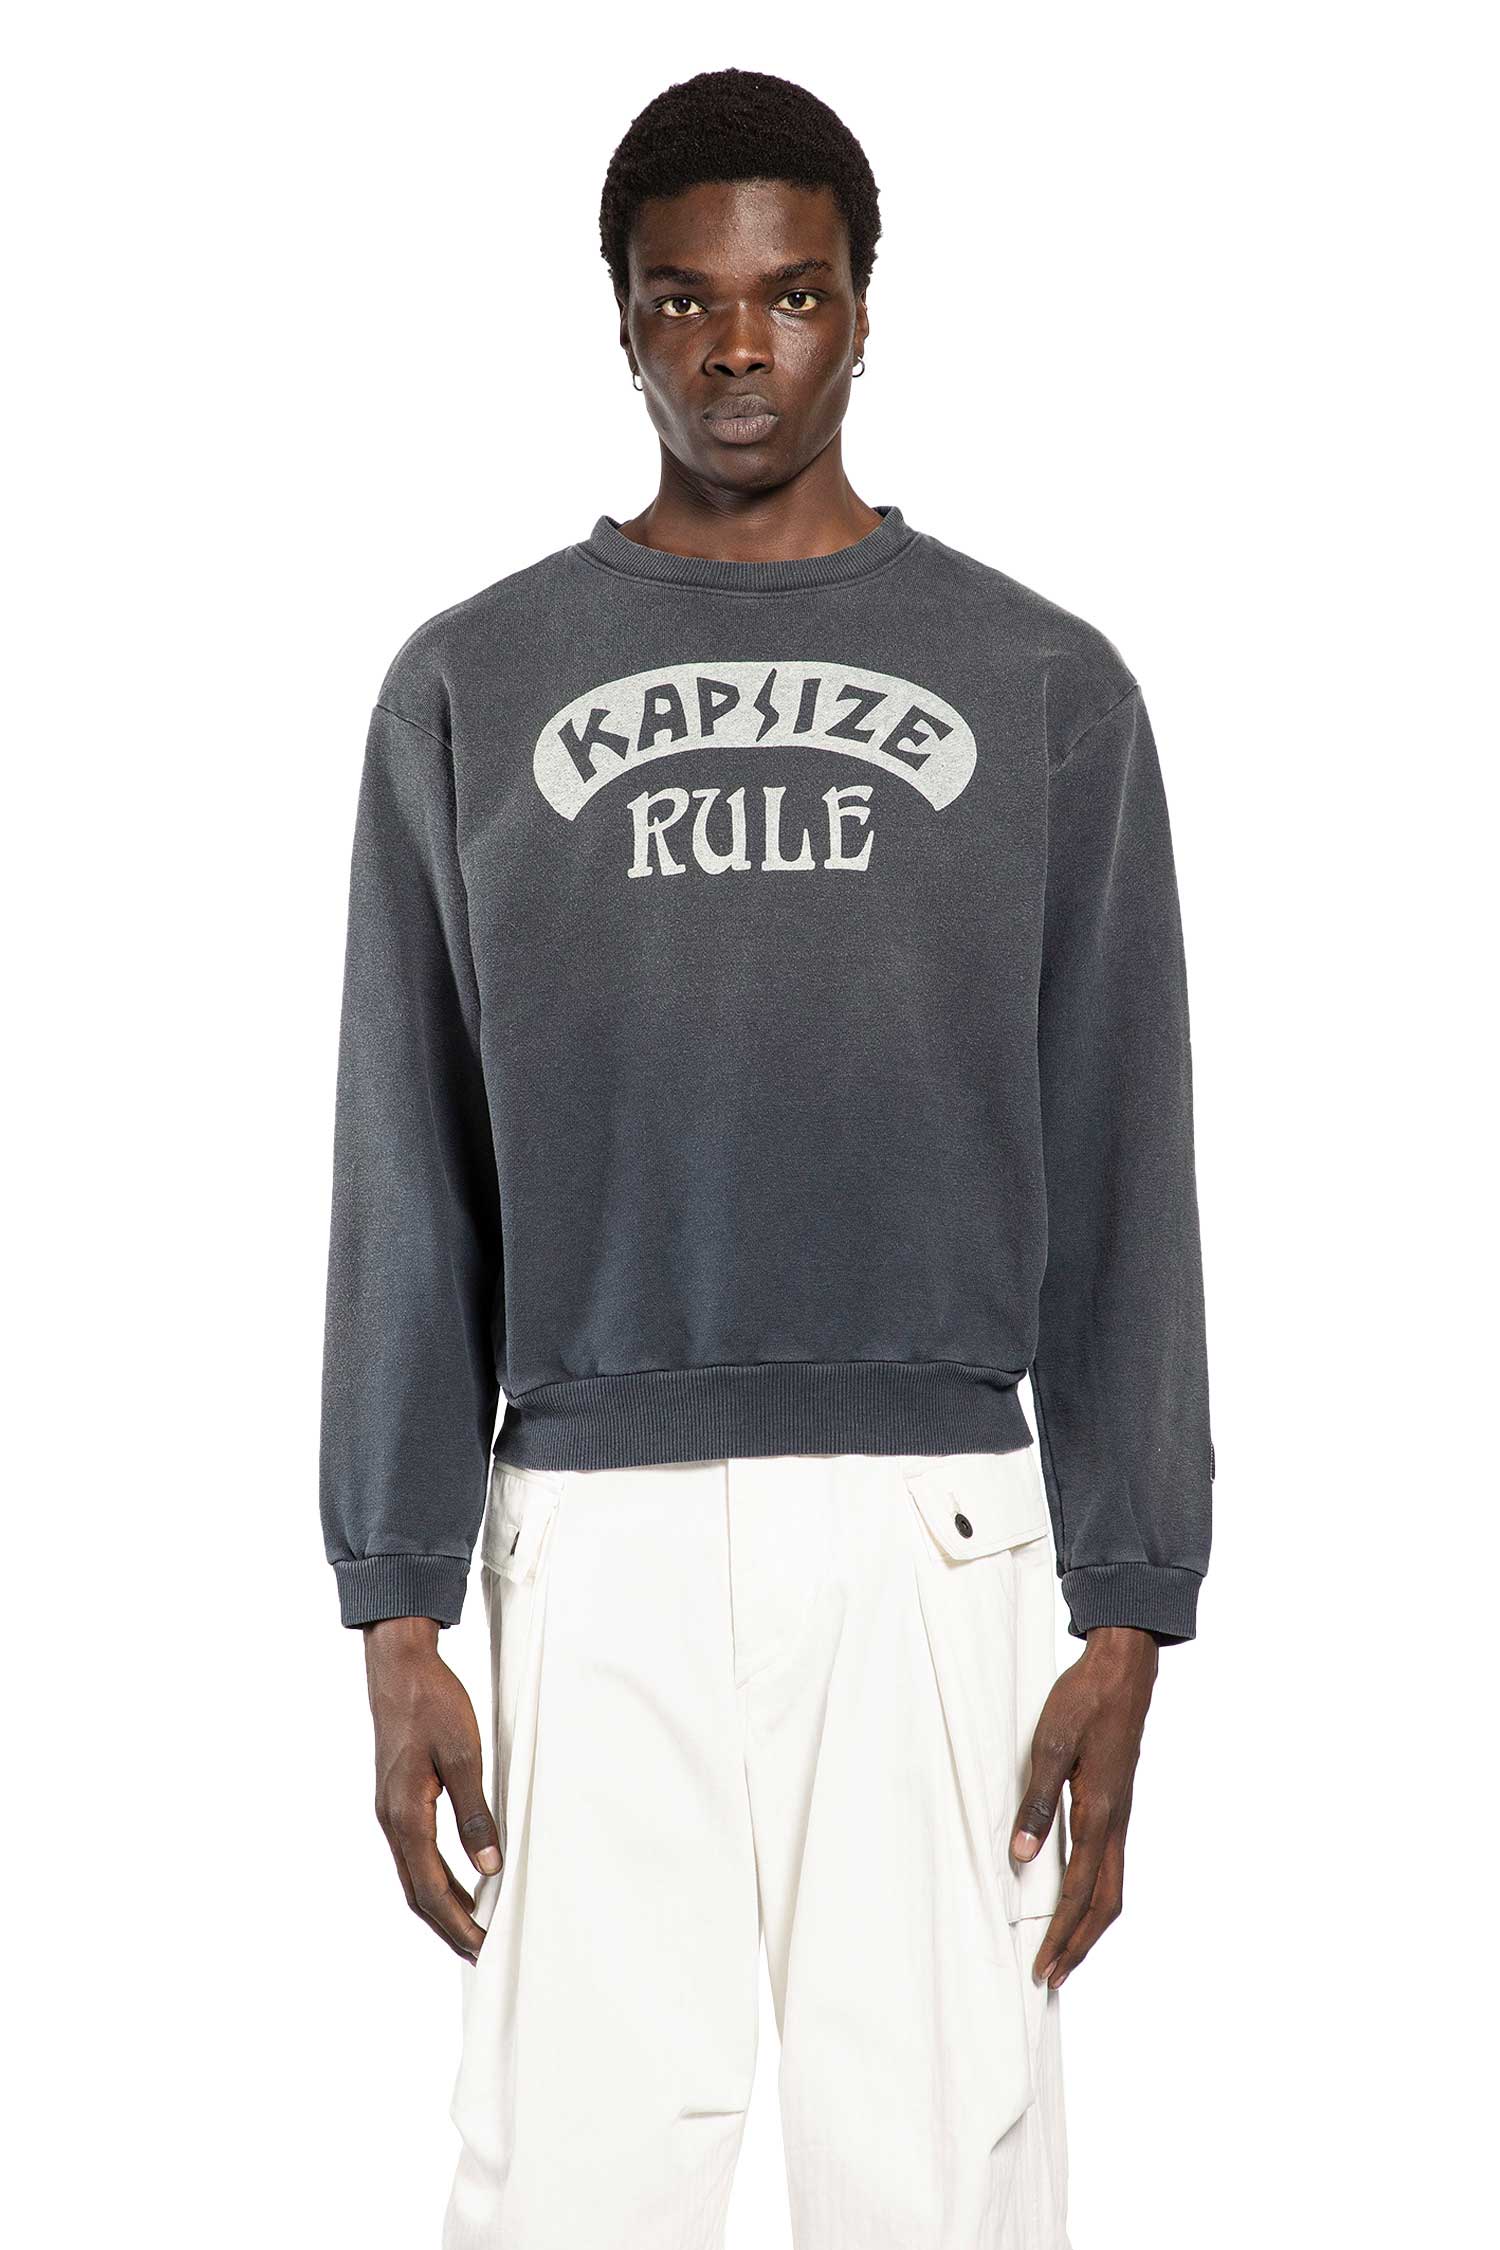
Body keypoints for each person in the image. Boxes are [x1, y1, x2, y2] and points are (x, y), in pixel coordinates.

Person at [319, 65, 1214, 2250]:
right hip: (584, 1523)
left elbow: (1125, 1161)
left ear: (866, 310)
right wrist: (396, 1599)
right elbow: (405, 1168)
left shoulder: (1043, 687)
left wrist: (1133, 1603)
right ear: (620, 318)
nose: (739, 348)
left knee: (940, 2176)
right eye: (686, 299)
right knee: (571, 2188)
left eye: (791, 295)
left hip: (935, 1526)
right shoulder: (470, 685)